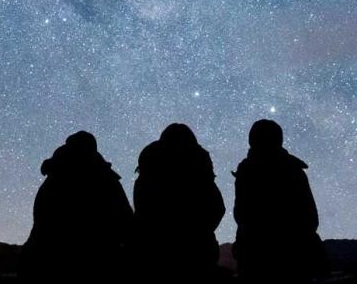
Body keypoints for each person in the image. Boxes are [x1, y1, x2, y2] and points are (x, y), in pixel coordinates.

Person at [21, 130, 133, 282]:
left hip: (45, 261)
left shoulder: (55, 177)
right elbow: (125, 219)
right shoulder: (104, 179)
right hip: (93, 264)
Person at [231, 119, 328, 282]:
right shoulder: (293, 170)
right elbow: (310, 219)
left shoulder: (247, 172)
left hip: (256, 260)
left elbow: (241, 215)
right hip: (296, 259)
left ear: (252, 140)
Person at [131, 123, 226, 282]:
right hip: (197, 255)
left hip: (152, 255)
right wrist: (199, 232)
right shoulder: (199, 171)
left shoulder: (148, 171)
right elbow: (217, 208)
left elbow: (142, 210)